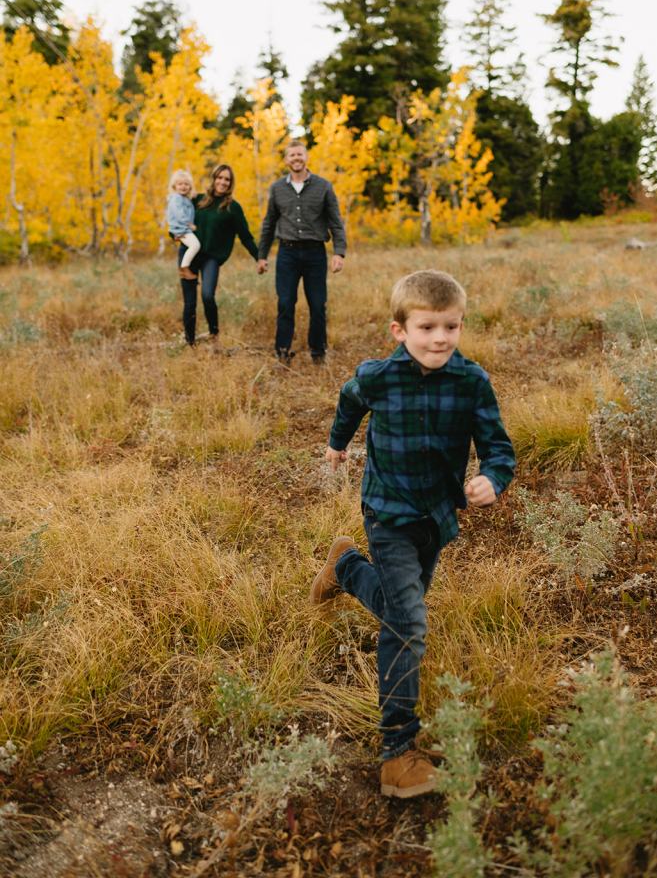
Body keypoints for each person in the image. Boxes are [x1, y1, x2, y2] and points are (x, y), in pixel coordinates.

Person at [310, 270, 515, 799]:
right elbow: (350, 399)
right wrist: (338, 445)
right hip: (386, 512)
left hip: (437, 517)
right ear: (400, 330)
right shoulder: (378, 376)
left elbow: (498, 446)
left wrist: (492, 478)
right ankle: (397, 754)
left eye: (451, 326)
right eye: (427, 327)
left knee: (405, 610)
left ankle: (346, 568)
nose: (440, 338)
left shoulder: (472, 382)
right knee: (408, 626)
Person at [256, 140, 346, 363]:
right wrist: (262, 256)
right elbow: (269, 223)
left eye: (299, 155)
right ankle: (283, 352)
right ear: (286, 160)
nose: (296, 158)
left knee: (317, 304)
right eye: (291, 155)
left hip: (315, 253)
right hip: (287, 254)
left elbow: (336, 222)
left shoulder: (323, 186)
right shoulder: (277, 188)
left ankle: (318, 353)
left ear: (306, 158)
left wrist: (339, 252)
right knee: (285, 303)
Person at [179, 163, 259, 346]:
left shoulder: (232, 208)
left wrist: (259, 257)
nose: (223, 182)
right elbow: (178, 219)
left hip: (211, 258)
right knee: (189, 303)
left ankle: (214, 332)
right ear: (214, 179)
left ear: (231, 184)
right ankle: (190, 342)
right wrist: (173, 234)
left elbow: (245, 236)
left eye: (227, 179)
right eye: (220, 178)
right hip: (189, 255)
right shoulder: (197, 200)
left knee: (208, 295)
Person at [167, 169, 200, 280]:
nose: (183, 186)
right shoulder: (176, 199)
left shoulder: (184, 198)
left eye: (186, 184)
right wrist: (189, 224)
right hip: (181, 229)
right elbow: (179, 213)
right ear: (174, 186)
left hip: (182, 228)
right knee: (195, 245)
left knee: (193, 245)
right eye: (180, 184)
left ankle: (184, 267)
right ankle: (184, 268)